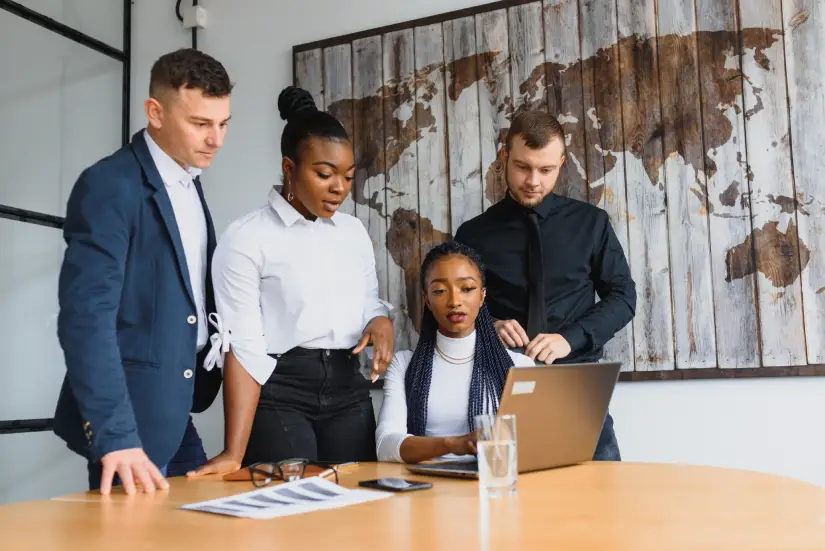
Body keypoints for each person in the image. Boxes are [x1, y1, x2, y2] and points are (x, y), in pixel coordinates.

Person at [187, 86, 394, 478]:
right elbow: (242, 347)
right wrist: (234, 451)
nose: (339, 188)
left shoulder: (353, 232)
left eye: (348, 177)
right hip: (280, 391)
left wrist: (379, 321)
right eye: (324, 174)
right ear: (289, 168)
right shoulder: (246, 238)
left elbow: (369, 301)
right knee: (289, 512)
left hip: (349, 391)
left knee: (358, 507)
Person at [53, 48, 232, 494]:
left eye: (223, 123)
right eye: (201, 124)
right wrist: (115, 436)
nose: (217, 140)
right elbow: (86, 317)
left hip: (176, 409)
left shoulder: (189, 180)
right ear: (155, 112)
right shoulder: (110, 185)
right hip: (130, 423)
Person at [454, 110, 636, 461]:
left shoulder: (591, 224)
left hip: (578, 391)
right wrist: (489, 325)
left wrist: (570, 338)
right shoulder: (472, 235)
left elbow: (623, 296)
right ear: (504, 157)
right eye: (523, 167)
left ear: (562, 163)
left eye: (546, 169)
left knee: (603, 503)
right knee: (508, 508)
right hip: (499, 390)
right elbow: (454, 310)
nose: (533, 181)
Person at [375, 241, 535, 464]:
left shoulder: (519, 366)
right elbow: (385, 445)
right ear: (427, 300)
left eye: (467, 289)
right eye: (440, 291)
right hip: (426, 489)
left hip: (493, 484)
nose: (454, 301)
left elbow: (531, 445)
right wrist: (454, 444)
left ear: (482, 295)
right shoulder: (404, 364)